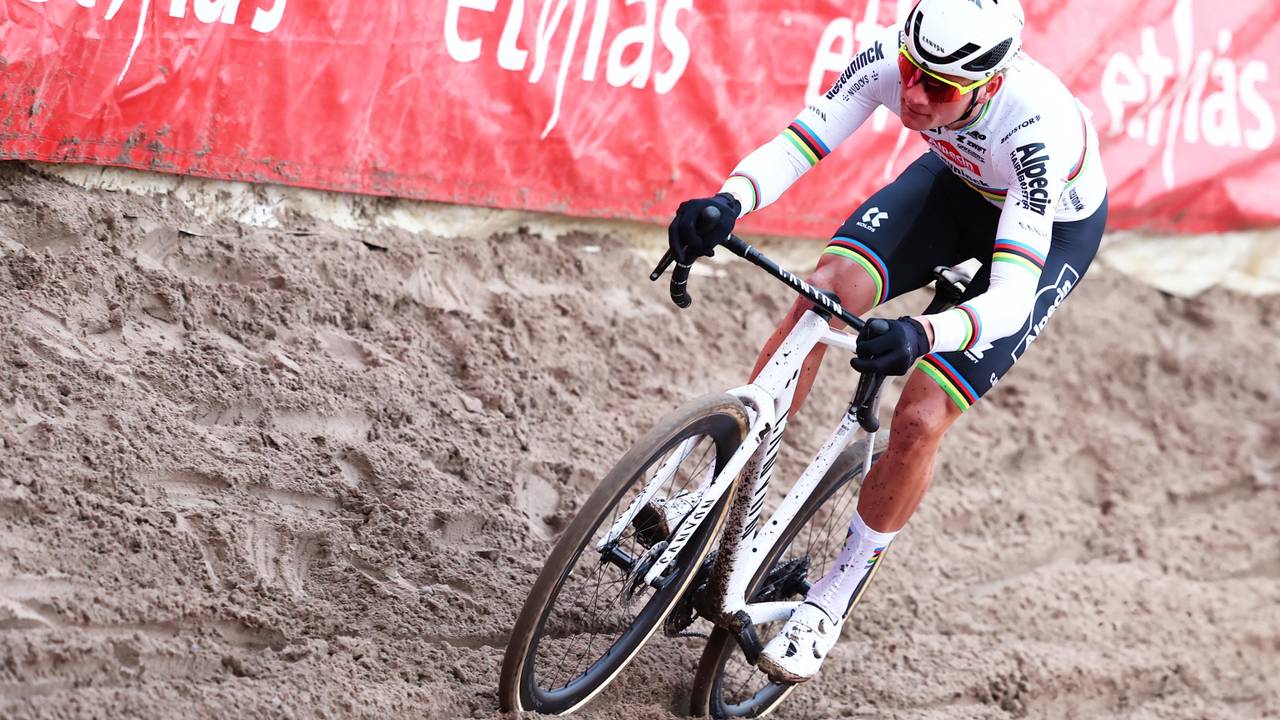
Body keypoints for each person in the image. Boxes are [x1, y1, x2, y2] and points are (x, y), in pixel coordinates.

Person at [666, 0, 1108, 683]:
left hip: (1045, 235)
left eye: (940, 87)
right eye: (911, 71)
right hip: (954, 188)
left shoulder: (1032, 130)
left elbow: (1011, 299)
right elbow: (803, 139)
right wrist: (729, 201)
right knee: (823, 295)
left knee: (920, 416)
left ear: (989, 84)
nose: (915, 95)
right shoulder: (896, 57)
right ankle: (716, 495)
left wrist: (922, 331)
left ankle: (831, 600)